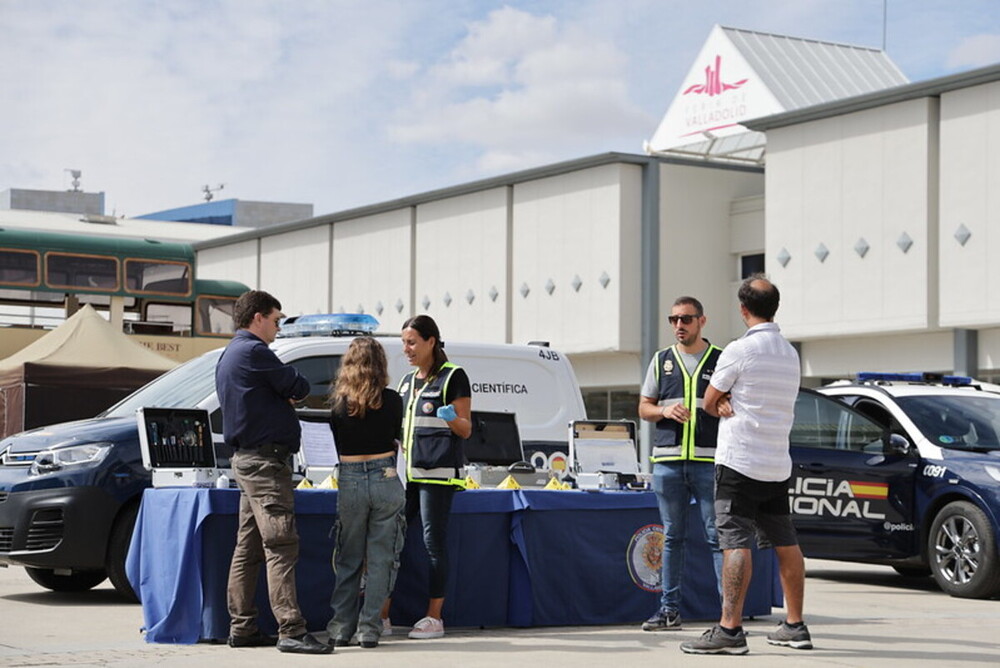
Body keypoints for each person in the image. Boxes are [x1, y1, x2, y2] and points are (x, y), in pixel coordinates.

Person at [680, 275, 810, 655]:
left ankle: (730, 630)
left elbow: (708, 399)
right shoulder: (789, 352)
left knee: (735, 542)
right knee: (787, 543)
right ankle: (795, 625)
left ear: (742, 309)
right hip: (776, 463)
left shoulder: (739, 350)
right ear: (775, 308)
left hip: (739, 462)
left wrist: (720, 401)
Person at [215, 290, 332, 655]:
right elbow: (298, 386)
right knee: (281, 544)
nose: (279, 327)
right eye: (277, 320)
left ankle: (243, 627)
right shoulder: (254, 352)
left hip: (249, 460)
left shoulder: (230, 354)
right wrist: (288, 390)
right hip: (265, 465)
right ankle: (292, 629)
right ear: (258, 318)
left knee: (248, 548)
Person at [381, 314, 471, 640]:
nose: (406, 349)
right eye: (404, 343)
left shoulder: (453, 376)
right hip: (408, 476)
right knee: (392, 542)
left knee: (433, 544)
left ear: (431, 341)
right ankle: (383, 617)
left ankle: (434, 618)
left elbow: (466, 428)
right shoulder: (406, 382)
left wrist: (450, 418)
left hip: (439, 475)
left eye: (412, 342)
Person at [638, 296, 723, 632]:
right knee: (672, 538)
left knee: (717, 538)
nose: (678, 326)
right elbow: (644, 408)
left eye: (685, 319)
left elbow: (736, 401)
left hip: (709, 461)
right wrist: (664, 410)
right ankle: (669, 610)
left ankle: (726, 617)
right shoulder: (662, 361)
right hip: (669, 462)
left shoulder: (721, 359)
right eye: (673, 319)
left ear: (702, 321)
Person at [325, 337, 405, 649]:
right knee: (383, 557)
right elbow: (395, 438)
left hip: (351, 477)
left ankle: (340, 628)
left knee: (349, 557)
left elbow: (338, 444)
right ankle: (369, 629)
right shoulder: (393, 400)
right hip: (385, 474)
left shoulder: (338, 405)